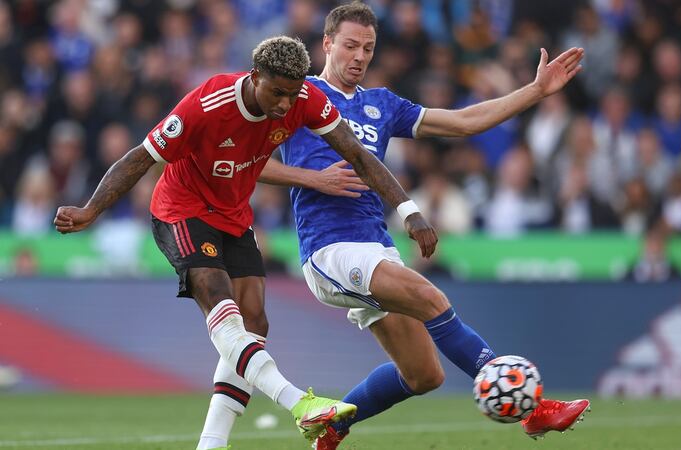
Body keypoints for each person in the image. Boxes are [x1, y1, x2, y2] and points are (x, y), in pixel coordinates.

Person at [203, 3, 588, 449]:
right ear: (326, 44)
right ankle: (531, 408)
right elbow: (237, 157)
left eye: (367, 47)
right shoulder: (297, 95)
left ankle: (331, 427)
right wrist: (313, 178)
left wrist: (535, 91)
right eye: (349, 45)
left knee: (424, 374)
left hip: (377, 248)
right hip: (329, 248)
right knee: (430, 296)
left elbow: (463, 123)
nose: (359, 56)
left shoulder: (381, 104)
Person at [52, 35, 439, 448]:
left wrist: (408, 211)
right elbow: (140, 157)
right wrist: (91, 210)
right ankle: (299, 404)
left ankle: (211, 444)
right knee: (222, 304)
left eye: (292, 95)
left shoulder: (304, 98)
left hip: (234, 216)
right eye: (277, 92)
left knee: (254, 322)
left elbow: (360, 156)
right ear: (255, 77)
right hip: (182, 209)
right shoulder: (206, 105)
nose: (285, 106)